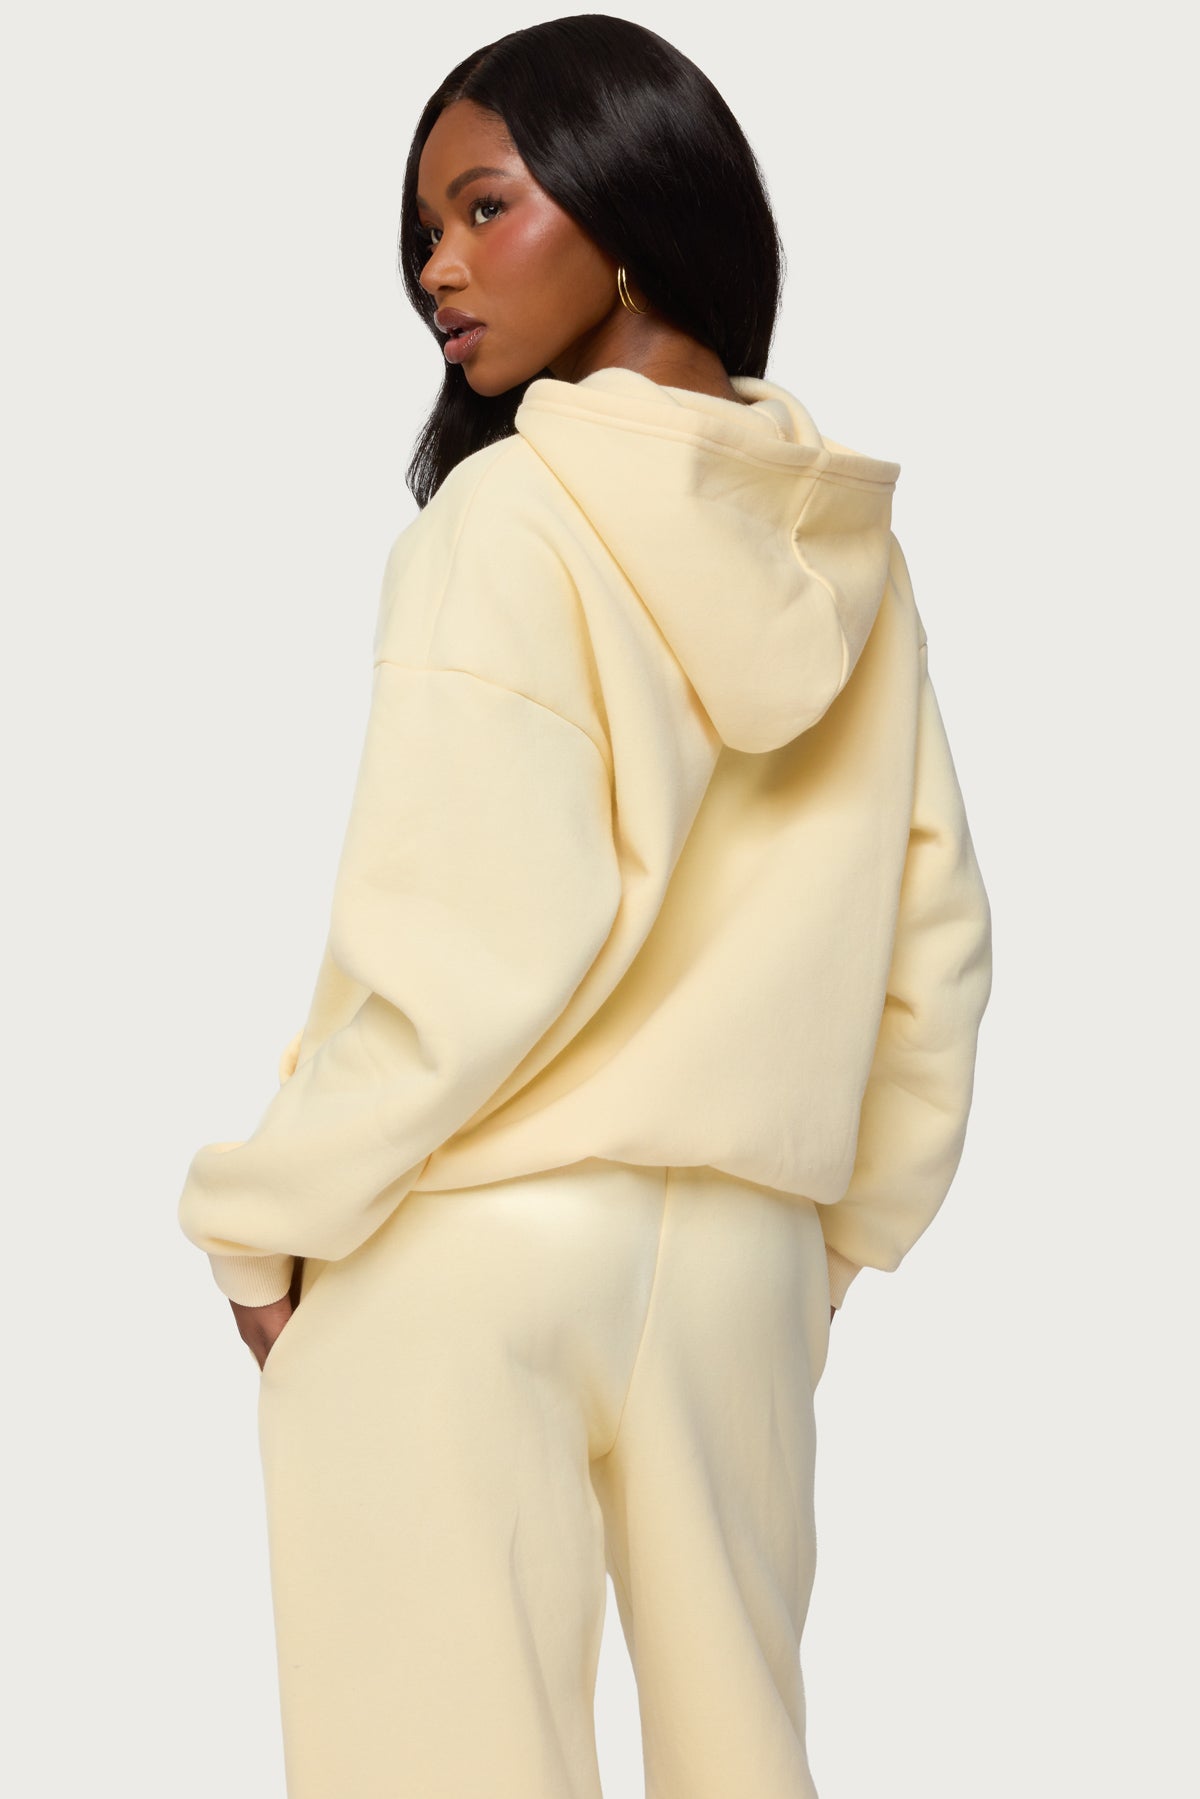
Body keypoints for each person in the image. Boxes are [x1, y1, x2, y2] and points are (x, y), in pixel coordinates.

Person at [177, 15, 993, 1798]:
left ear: (628, 209)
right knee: (742, 1761)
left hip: (468, 1248)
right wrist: (823, 1246)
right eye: (426, 230)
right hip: (743, 1271)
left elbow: (457, 957)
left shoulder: (510, 522)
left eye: (484, 207)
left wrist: (259, 1220)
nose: (437, 269)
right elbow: (934, 954)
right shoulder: (846, 563)